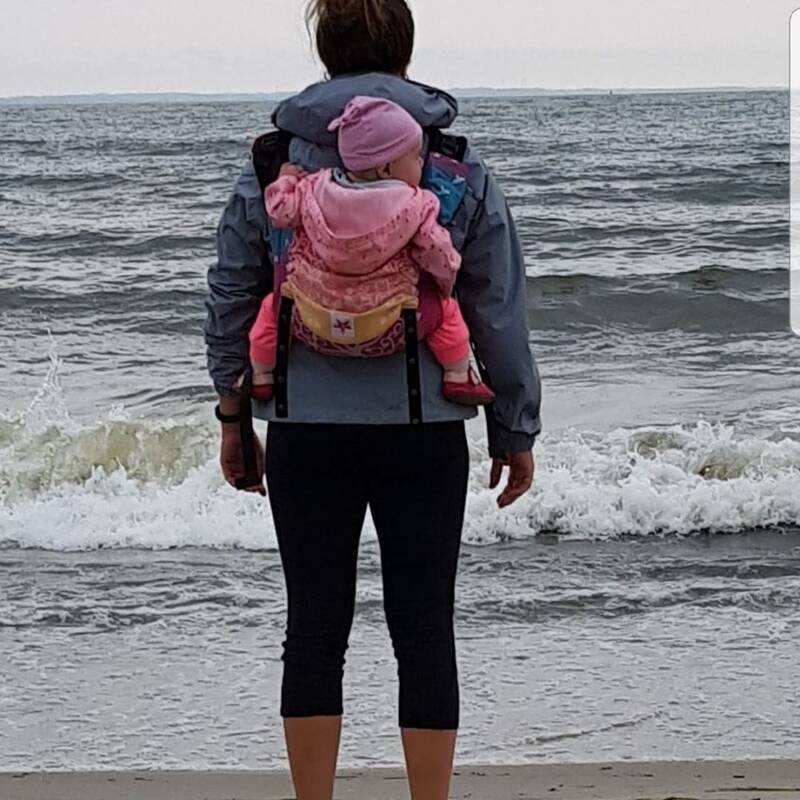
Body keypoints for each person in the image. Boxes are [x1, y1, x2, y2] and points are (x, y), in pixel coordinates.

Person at [204, 1, 542, 798]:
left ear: (326, 56)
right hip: (422, 430)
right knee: (423, 628)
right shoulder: (452, 165)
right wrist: (514, 426)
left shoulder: (273, 166)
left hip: (304, 429)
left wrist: (233, 414)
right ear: (405, 56)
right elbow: (496, 306)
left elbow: (231, 295)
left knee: (313, 629)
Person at [248, 95, 495, 406]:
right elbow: (438, 254)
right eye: (415, 157)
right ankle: (457, 375)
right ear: (385, 167)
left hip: (310, 323)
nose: (421, 163)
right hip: (393, 328)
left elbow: (279, 212)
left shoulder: (311, 188)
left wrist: (285, 179)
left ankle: (261, 375)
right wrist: (444, 285)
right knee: (446, 311)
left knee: (271, 307)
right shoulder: (417, 204)